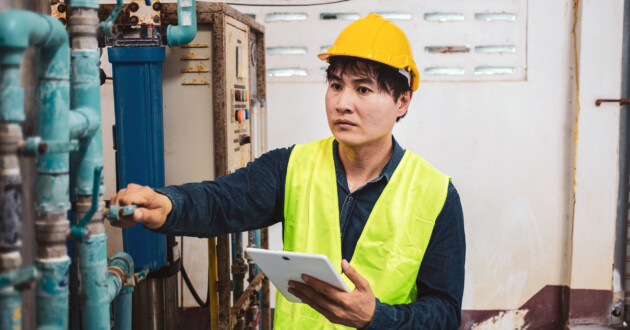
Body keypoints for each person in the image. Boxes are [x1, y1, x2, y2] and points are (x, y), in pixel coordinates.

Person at [111, 13, 465, 329]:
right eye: (336, 85)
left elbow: (445, 312)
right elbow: (224, 201)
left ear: (402, 101)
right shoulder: (292, 166)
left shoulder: (436, 196)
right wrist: (168, 204)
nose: (342, 103)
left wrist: (377, 318)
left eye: (363, 89)